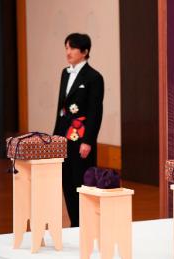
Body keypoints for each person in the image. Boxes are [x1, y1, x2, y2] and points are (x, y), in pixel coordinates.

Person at [53, 33, 104, 227]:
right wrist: (55, 137)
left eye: (72, 48)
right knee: (66, 181)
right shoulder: (65, 73)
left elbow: (95, 111)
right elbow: (61, 108)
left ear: (85, 52)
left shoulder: (94, 77)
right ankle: (74, 224)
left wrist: (88, 141)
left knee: (80, 183)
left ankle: (86, 225)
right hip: (63, 137)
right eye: (66, 48)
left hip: (81, 138)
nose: (68, 52)